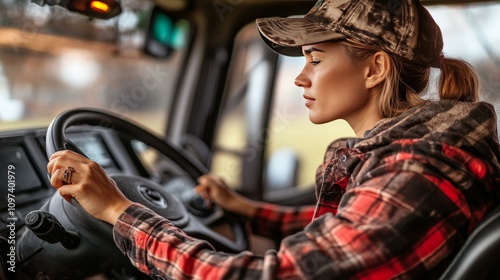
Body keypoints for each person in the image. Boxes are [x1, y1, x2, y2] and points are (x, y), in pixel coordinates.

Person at [47, 0, 500, 278]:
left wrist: (119, 211)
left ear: (374, 69)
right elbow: (355, 224)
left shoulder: (415, 171)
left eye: (315, 60)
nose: (301, 79)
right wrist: (249, 211)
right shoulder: (413, 160)